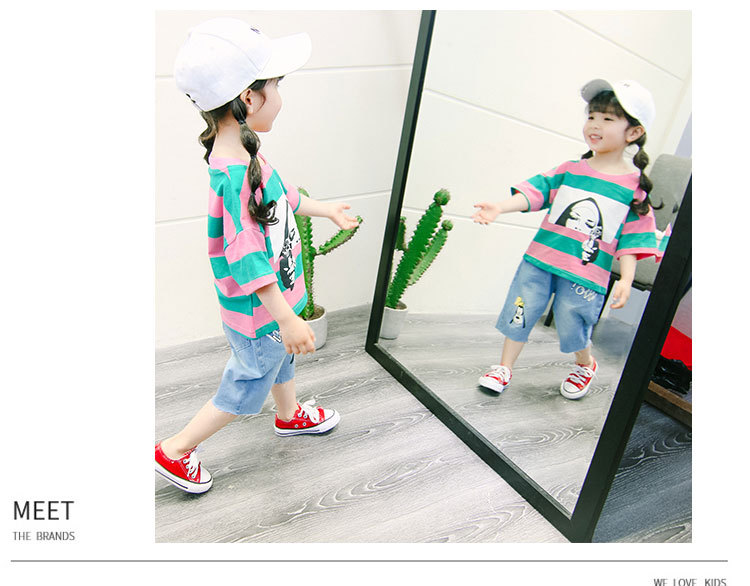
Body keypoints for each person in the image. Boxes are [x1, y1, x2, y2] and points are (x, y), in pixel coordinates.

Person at [155, 18, 359, 494]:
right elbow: (248, 259)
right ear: (249, 98)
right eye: (276, 85)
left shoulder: (246, 156)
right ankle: (175, 449)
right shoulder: (233, 178)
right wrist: (286, 318)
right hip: (261, 314)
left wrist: (325, 209)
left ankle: (288, 415)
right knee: (247, 382)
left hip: (270, 310)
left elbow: (282, 198)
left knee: (281, 363)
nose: (280, 96)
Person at [472, 79, 664, 400]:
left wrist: (626, 279)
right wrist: (500, 207)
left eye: (607, 118)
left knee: (573, 323)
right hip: (540, 260)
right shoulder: (571, 169)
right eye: (592, 116)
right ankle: (503, 368)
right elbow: (538, 192)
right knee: (521, 309)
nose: (595, 124)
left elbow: (632, 239)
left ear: (633, 132)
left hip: (586, 273)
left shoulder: (633, 188)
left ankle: (585, 364)